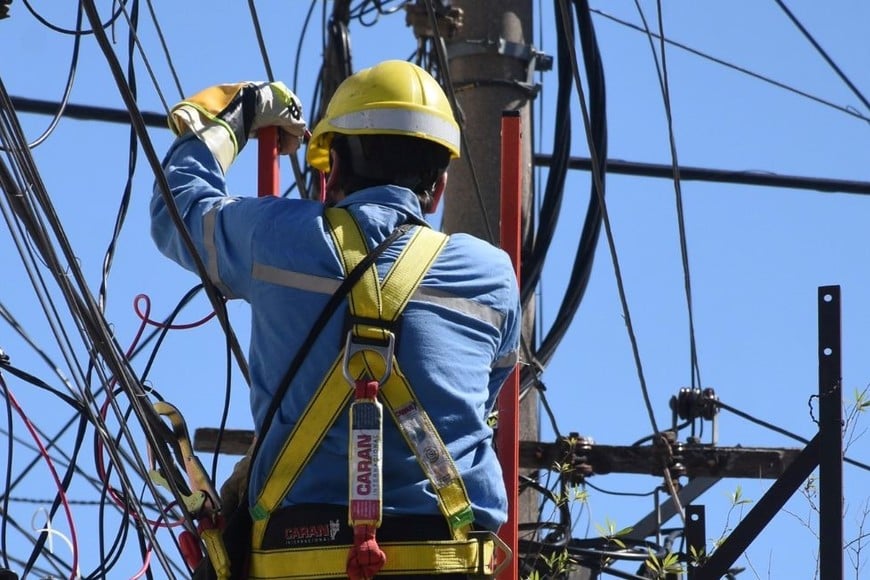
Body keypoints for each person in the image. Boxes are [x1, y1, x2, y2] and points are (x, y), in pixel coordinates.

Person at [151, 60, 521, 579]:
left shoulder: (276, 237)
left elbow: (177, 210)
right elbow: (481, 395)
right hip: (447, 561)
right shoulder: (491, 277)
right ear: (438, 188)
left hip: (295, 558)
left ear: (334, 169)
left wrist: (237, 115)